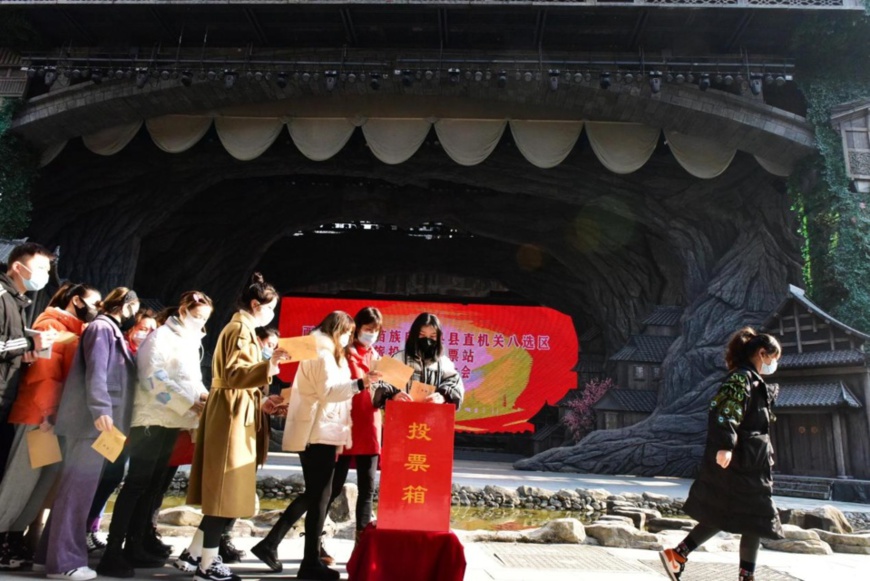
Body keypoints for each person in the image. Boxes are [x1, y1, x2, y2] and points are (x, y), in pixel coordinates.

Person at [250, 309, 383, 574]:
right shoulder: (323, 353)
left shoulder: (323, 350)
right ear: (339, 331)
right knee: (317, 496)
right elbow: (328, 392)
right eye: (348, 333)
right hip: (318, 431)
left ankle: (280, 547)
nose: (349, 339)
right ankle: (306, 561)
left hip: (321, 429)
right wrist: (360, 384)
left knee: (316, 495)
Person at [175, 273, 289, 581]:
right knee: (225, 489)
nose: (272, 314)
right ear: (256, 304)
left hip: (234, 408)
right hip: (231, 413)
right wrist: (270, 366)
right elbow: (237, 374)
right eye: (271, 307)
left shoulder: (241, 328)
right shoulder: (240, 330)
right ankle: (207, 564)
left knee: (223, 486)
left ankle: (195, 554)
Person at [97, 291, 213, 577]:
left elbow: (191, 379)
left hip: (172, 419)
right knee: (137, 483)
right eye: (197, 316)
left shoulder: (187, 340)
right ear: (184, 310)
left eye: (204, 319)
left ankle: (133, 545)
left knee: (151, 485)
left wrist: (201, 399)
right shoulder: (161, 336)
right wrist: (190, 402)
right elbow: (152, 378)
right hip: (150, 418)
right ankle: (113, 551)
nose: (200, 322)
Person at [659, 327, 783, 581]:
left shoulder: (752, 380)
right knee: (754, 516)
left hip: (752, 461)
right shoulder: (740, 379)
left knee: (731, 513)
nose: (774, 364)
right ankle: (743, 576)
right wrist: (725, 446)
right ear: (762, 353)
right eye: (774, 358)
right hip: (741, 462)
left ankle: (678, 555)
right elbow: (725, 413)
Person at [0, 282, 100, 571]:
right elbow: (45, 372)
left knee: (39, 484)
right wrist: (47, 413)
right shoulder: (51, 323)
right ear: (77, 301)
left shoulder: (75, 329)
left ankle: (14, 538)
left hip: (55, 419)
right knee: (21, 482)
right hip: (38, 417)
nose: (98, 308)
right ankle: (4, 537)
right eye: (95, 302)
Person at [42, 287, 140, 581]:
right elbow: (96, 372)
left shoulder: (105, 328)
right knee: (77, 492)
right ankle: (63, 563)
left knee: (74, 491)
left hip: (99, 423)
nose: (134, 313)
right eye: (133, 307)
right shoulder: (102, 328)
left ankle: (48, 557)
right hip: (95, 424)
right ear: (126, 305)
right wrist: (101, 410)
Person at [83, 309, 157, 555]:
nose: (146, 334)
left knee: (112, 477)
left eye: (151, 330)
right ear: (131, 328)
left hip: (128, 427)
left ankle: (90, 527)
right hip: (111, 421)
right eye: (143, 328)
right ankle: (84, 528)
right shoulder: (119, 348)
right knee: (102, 476)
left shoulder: (145, 356)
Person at [0, 242, 56, 481]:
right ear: (17, 267)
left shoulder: (18, 301)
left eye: (47, 269)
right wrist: (31, 343)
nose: (44, 275)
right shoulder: (2, 296)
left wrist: (25, 354)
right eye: (40, 268)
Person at [373, 312, 464, 408]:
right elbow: (379, 388)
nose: (427, 340)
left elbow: (455, 386)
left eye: (432, 336)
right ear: (414, 336)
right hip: (402, 416)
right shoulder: (399, 359)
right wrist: (394, 396)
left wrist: (442, 396)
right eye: (422, 335)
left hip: (433, 418)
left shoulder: (444, 363)